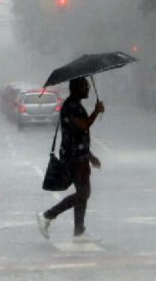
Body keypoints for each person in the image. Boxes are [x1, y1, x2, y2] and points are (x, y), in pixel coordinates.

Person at [37, 77, 105, 242]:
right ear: (76, 88)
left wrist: (90, 156)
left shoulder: (74, 104)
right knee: (83, 193)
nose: (88, 89)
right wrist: (96, 111)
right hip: (74, 157)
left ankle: (79, 232)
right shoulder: (71, 106)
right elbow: (83, 126)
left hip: (79, 155)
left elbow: (78, 135)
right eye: (85, 86)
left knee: (83, 193)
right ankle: (48, 215)